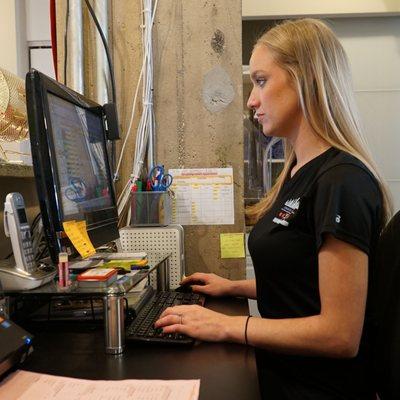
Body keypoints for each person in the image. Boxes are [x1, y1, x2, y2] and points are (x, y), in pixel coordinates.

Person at [155, 18, 392, 399]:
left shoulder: (341, 181)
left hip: (316, 389)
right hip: (280, 373)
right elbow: (304, 280)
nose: (251, 100)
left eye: (261, 81)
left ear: (306, 81)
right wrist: (234, 287)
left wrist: (228, 326)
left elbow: (340, 333)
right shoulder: (298, 171)